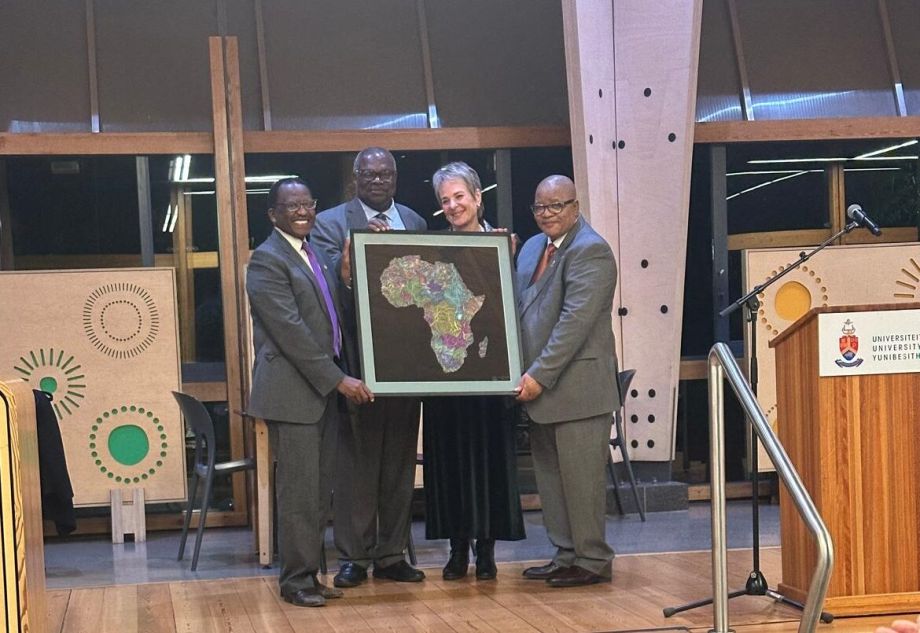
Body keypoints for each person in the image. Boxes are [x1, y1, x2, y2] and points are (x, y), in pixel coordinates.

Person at [246, 177, 374, 607]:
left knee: (318, 493)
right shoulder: (267, 261)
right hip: (293, 394)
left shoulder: (312, 253)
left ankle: (310, 575)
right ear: (273, 214)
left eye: (308, 204)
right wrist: (338, 379)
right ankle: (295, 581)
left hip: (318, 395)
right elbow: (291, 333)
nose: (303, 212)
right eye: (292, 206)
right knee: (299, 494)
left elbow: (330, 317)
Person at [311, 147, 428, 587]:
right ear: (355, 179)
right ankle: (354, 558)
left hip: (406, 363)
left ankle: (392, 554)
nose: (377, 181)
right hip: (357, 362)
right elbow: (326, 292)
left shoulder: (415, 222)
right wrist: (348, 268)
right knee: (356, 466)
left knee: (399, 462)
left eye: (385, 174)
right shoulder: (330, 224)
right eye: (369, 174)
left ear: (395, 178)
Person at [514, 174, 619, 588]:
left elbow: (573, 325)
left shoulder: (591, 250)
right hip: (538, 391)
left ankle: (592, 559)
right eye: (540, 206)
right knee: (552, 482)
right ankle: (566, 555)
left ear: (575, 207)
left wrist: (538, 376)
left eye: (556, 205)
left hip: (578, 391)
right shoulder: (531, 248)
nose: (547, 213)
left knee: (581, 483)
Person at [422, 162, 525, 581]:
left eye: (459, 196)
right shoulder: (433, 250)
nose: (452, 206)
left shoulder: (505, 245)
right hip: (445, 374)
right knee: (450, 463)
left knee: (489, 461)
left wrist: (506, 258)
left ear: (478, 197)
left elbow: (515, 308)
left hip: (491, 373)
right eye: (444, 200)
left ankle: (486, 551)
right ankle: (456, 549)